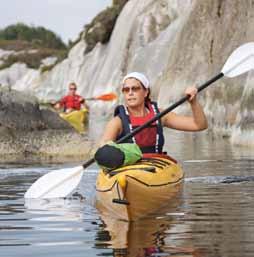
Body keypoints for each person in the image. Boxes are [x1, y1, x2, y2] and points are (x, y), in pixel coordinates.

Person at [99, 72, 208, 155]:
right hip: (128, 168)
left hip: (156, 166)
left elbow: (199, 125)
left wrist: (193, 103)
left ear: (146, 92)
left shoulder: (160, 115)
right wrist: (106, 148)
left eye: (135, 88)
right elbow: (104, 144)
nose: (130, 93)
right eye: (126, 90)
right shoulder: (117, 122)